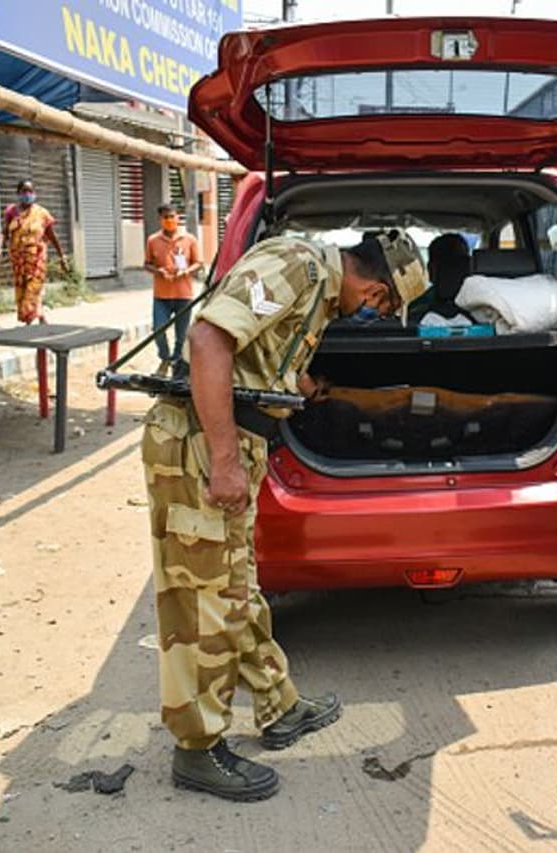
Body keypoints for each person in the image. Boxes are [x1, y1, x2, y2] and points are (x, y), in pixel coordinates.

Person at [140, 229, 426, 801]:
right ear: (376, 292)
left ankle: (279, 705)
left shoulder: (317, 288)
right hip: (201, 446)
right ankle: (197, 749)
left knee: (237, 586)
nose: (373, 314)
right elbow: (208, 340)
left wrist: (305, 386)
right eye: (382, 307)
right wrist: (225, 461)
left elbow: (264, 353)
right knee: (204, 601)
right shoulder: (296, 264)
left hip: (227, 444)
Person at [0, 179, 67, 324]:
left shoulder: (42, 213)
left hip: (36, 258)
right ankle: (40, 316)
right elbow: (4, 232)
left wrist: (62, 256)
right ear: (18, 193)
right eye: (24, 191)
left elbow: (51, 236)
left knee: (33, 285)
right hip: (18, 260)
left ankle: (30, 319)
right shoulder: (11, 212)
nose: (27, 194)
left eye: (30, 191)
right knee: (22, 287)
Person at [144, 204, 203, 375]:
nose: (169, 220)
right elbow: (147, 264)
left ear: (178, 217)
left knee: (181, 335)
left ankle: (176, 363)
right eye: (165, 217)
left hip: (183, 295)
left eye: (172, 216)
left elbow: (198, 263)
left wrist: (186, 271)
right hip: (161, 296)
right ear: (160, 220)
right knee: (158, 330)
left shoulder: (189, 239)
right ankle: (164, 358)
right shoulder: (153, 240)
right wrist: (158, 271)